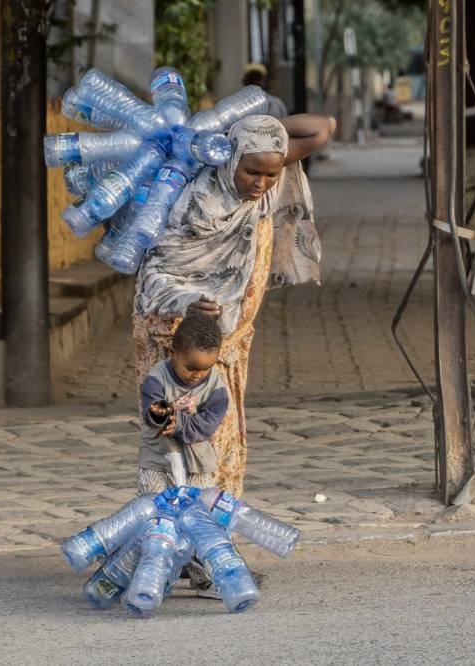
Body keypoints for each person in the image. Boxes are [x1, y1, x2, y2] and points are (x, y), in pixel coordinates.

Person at [134, 113, 335, 497]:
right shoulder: (199, 202)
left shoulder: (263, 173)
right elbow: (156, 277)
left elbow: (324, 127)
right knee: (177, 447)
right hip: (176, 342)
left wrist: (259, 126)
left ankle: (210, 533)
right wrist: (190, 299)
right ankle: (176, 535)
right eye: (251, 173)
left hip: (227, 341)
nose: (261, 184)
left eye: (272, 175)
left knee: (221, 443)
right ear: (230, 158)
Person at [137, 314, 229, 494]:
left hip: (197, 465)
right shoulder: (157, 378)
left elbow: (207, 425)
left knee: (199, 510)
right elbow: (152, 414)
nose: (198, 375)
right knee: (157, 509)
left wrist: (179, 423)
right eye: (191, 368)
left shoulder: (215, 387)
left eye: (206, 369)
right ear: (173, 352)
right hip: (158, 462)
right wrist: (162, 414)